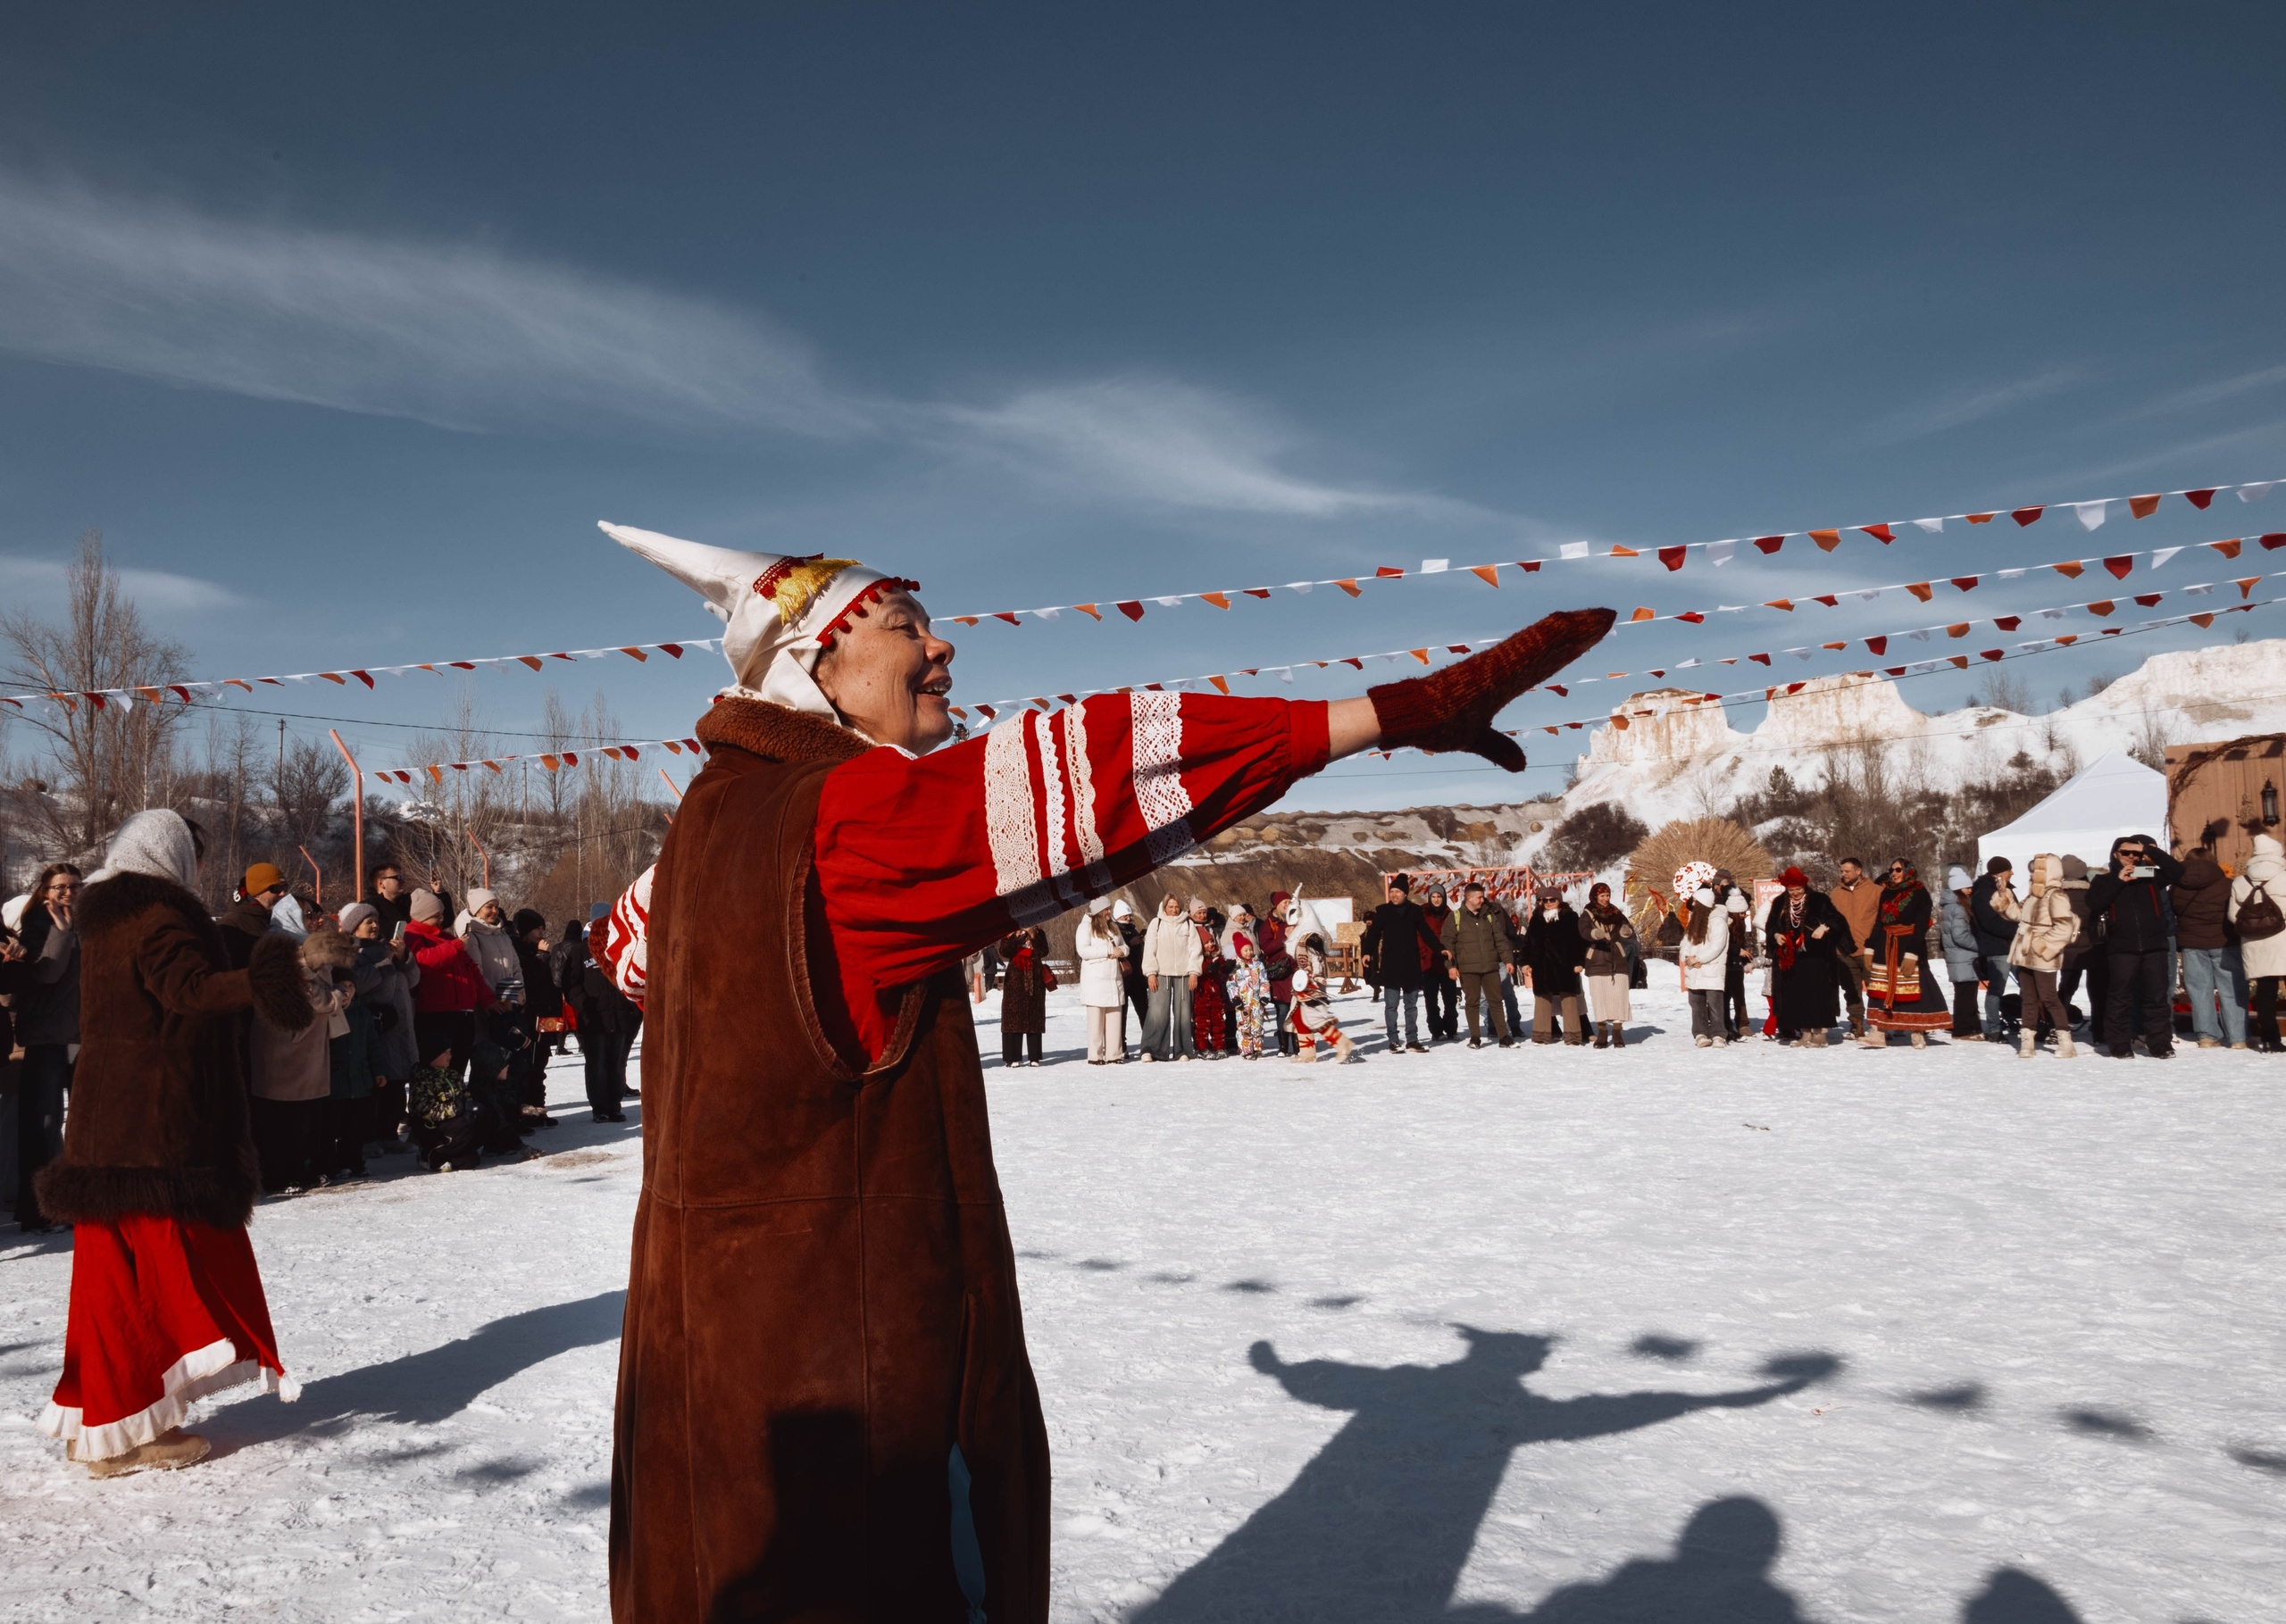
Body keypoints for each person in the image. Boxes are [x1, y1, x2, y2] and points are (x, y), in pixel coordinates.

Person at [588, 521, 1612, 1620]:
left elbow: (625, 948)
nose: (940, 647)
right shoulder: (840, 829)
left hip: (713, 1377)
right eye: (904, 627)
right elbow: (1094, 770)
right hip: (848, 1382)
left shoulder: (707, 832)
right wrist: (1387, 713)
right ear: (814, 666)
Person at [34, 810, 313, 1478]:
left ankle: (100, 1423)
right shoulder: (158, 916)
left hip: (109, 1119)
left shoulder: (107, 919)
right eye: (193, 852)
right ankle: (125, 1434)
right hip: (156, 1125)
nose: (198, 865)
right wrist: (269, 976)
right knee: (151, 1284)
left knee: (110, 1280)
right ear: (171, 858)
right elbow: (189, 990)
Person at [248, 921, 355, 1194]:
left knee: (305, 1118)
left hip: (306, 1052)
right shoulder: (285, 967)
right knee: (283, 1121)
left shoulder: (310, 962)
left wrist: (342, 991)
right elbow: (312, 996)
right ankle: (280, 1175)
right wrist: (339, 995)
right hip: (286, 1053)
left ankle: (303, 1169)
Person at [12, 863, 81, 1233]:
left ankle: (73, 1202)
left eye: (75, 886)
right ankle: (38, 1210)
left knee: (82, 1121)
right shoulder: (37, 925)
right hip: (45, 1036)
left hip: (79, 1036)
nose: (68, 893)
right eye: (60, 887)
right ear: (45, 891)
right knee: (45, 1124)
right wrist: (61, 931)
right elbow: (48, 973)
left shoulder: (85, 924)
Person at [2086, 834, 2185, 1060]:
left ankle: (2160, 1044)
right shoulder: (2104, 879)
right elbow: (2094, 903)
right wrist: (2118, 880)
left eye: (2135, 853)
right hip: (2122, 947)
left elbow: (2177, 872)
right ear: (2115, 854)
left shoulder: (2147, 874)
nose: (2131, 857)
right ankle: (2119, 1044)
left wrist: (2148, 850)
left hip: (2154, 945)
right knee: (2120, 997)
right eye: (2126, 852)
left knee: (2157, 997)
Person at [338, 902, 420, 1155]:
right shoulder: (350, 952)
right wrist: (385, 962)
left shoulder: (387, 947)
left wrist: (403, 956)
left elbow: (413, 980)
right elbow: (357, 985)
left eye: (375, 920)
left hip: (400, 1027)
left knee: (397, 1083)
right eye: (368, 922)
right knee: (375, 1084)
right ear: (354, 927)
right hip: (374, 1029)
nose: (374, 925)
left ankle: (389, 1134)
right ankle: (369, 1138)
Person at [1995, 854, 2081, 1058]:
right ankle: (2027, 1043)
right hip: (2024, 953)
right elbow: (2015, 915)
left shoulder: (2056, 895)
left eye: (2035, 870)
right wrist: (2003, 894)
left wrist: (2041, 946)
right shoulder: (2034, 895)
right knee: (2028, 999)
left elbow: (2065, 928)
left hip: (2042, 956)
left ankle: (2066, 1043)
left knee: (2049, 997)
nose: (2031, 874)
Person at [2172, 825, 2249, 1051]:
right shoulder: (2228, 884)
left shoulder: (2176, 887)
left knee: (2199, 991)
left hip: (2191, 944)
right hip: (2225, 942)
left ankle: (2206, 1036)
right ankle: (2238, 1038)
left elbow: (2173, 911)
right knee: (2232, 990)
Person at [561, 906, 639, 1120]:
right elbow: (571, 984)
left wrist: (631, 1007)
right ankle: (600, 1108)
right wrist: (584, 1005)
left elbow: (631, 978)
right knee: (597, 1064)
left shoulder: (622, 948)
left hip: (619, 1017)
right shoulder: (581, 950)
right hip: (594, 1018)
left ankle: (614, 1105)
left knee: (616, 1064)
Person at [1859, 859, 1948, 1048]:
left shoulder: (1920, 892)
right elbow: (1879, 922)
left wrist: (1912, 952)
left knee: (1911, 988)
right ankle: (1878, 1032)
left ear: (1908, 871)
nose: (1894, 873)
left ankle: (1917, 1032)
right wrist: (1870, 947)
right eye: (1891, 870)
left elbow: (1921, 925)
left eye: (1898, 870)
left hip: (1908, 944)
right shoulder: (1887, 892)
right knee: (1880, 988)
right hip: (1885, 945)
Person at [405, 887, 490, 1084]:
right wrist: (455, 947)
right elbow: (422, 961)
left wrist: (487, 999)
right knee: (435, 1073)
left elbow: (472, 970)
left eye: (441, 914)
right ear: (422, 916)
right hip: (435, 1015)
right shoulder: (412, 936)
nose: (442, 919)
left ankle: (456, 1101)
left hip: (463, 1013)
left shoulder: (447, 938)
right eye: (436, 915)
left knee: (457, 1070)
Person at [1765, 867, 1850, 1047]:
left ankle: (1819, 1034)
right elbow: (1771, 925)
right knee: (1797, 995)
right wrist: (1776, 935)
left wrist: (1824, 927)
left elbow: (1838, 920)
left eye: (1798, 889)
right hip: (1792, 957)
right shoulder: (1780, 903)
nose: (1795, 893)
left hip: (1817, 957)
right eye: (1791, 890)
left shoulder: (1819, 899)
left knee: (1817, 994)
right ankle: (1804, 1032)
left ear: (1805, 887)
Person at [1362, 875, 1445, 1054]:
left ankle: (1412, 1040)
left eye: (1397, 891)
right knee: (1391, 1006)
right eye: (1392, 891)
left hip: (1411, 965)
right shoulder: (1383, 911)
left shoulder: (1415, 911)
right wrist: (1366, 952)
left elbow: (1426, 933)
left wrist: (1440, 949)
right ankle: (1393, 1040)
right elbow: (1373, 934)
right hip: (1391, 965)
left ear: (1405, 894)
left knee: (1411, 1005)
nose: (1394, 894)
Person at [1283, 892, 1356, 1065]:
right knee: (1298, 1017)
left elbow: (1317, 959)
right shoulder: (1302, 934)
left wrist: (1316, 976)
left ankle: (1342, 1044)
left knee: (1315, 1017)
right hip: (1302, 983)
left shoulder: (1311, 935)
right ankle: (1307, 1053)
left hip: (1311, 984)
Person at [2230, 831, 2286, 1053]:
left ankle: (2271, 1039)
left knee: (2266, 990)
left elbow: (2233, 916)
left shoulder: (2240, 881)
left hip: (2254, 942)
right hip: (2283, 937)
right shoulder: (2284, 877)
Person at [1445, 880, 1514, 1048]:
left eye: (1483, 897)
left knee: (1496, 1002)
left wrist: (1508, 960)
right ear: (1468, 898)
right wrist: (1451, 966)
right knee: (1472, 1003)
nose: (1483, 900)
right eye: (1479, 897)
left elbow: (1500, 940)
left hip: (1491, 967)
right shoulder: (1455, 917)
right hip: (1468, 969)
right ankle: (1475, 1038)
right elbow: (1447, 945)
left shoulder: (1489, 916)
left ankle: (1504, 1036)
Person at [512, 908, 566, 1117]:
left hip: (544, 1015)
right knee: (527, 1064)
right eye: (537, 929)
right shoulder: (519, 951)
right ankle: (526, 1108)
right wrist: (542, 957)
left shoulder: (536, 952)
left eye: (542, 929)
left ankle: (538, 1106)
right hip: (528, 1015)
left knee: (540, 1062)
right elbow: (530, 979)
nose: (541, 933)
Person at [1521, 885, 1588, 1045]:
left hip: (1565, 966)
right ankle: (1541, 1036)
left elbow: (1578, 942)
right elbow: (1528, 943)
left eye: (1552, 900)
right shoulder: (1536, 919)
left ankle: (1573, 1036)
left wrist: (1579, 962)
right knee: (1542, 1001)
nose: (1548, 903)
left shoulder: (1570, 917)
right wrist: (1524, 962)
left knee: (1569, 1001)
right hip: (1542, 967)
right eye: (1545, 900)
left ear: (1559, 900)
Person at [1141, 893, 1203, 1062]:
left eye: (1176, 907)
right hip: (1161, 973)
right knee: (1157, 1011)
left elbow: (1195, 950)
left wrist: (1194, 972)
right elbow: (1149, 950)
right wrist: (1151, 973)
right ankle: (1151, 1049)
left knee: (1184, 1013)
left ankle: (1182, 1051)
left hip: (1184, 975)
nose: (1174, 910)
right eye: (1170, 907)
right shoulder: (1157, 923)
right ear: (1164, 907)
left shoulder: (1188, 924)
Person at [1828, 857, 1882, 1040]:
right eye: (1842, 871)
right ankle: (1856, 1024)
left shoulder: (1876, 891)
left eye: (1847, 871)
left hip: (1870, 950)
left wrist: (1876, 944)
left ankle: (1879, 1025)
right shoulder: (1835, 894)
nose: (1843, 874)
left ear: (1859, 871)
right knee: (1851, 990)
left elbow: (1883, 920)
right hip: (1843, 952)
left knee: (1876, 989)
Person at [1577, 881, 1636, 1049]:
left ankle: (1617, 1033)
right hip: (1597, 958)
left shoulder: (1616, 912)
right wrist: (1594, 933)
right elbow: (1582, 931)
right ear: (1595, 897)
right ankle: (1602, 1033)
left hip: (1617, 959)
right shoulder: (1587, 913)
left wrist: (1626, 931)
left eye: (1607, 895)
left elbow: (1627, 928)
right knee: (1599, 998)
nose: (1605, 899)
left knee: (1620, 997)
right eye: (1602, 896)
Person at [1970, 857, 2021, 1041]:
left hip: (2014, 946)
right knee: (1996, 990)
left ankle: (2032, 1022)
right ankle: (1993, 1029)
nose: (2012, 873)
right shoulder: (1983, 892)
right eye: (2009, 870)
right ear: (2000, 872)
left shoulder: (2004, 889)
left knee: (2028, 986)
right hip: (1998, 947)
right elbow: (1989, 922)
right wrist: (2018, 930)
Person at [407, 1044, 480, 1170]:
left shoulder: (452, 1075)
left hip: (453, 1120)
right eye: (444, 1052)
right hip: (430, 1125)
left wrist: (471, 1106)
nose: (449, 1055)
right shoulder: (422, 1078)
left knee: (470, 1161)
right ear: (432, 1055)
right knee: (462, 1124)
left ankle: (451, 1155)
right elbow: (424, 1109)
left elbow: (465, 1095)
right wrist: (456, 1109)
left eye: (450, 1051)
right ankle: (428, 1155)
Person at [1075, 897, 1129, 1064]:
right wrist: (1108, 950)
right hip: (1095, 982)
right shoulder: (1085, 927)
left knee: (1114, 1020)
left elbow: (1125, 946)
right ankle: (1095, 1056)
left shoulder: (1113, 927)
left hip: (1114, 981)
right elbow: (1083, 951)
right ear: (1098, 910)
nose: (1109, 912)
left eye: (1110, 908)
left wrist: (1121, 951)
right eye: (1106, 909)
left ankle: (1114, 1055)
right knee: (1096, 1023)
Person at [1678, 885, 1732, 1046]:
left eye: (1696, 901)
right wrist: (1687, 957)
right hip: (1694, 969)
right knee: (1696, 1004)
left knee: (1715, 1005)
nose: (1693, 904)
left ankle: (1719, 1034)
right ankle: (1700, 1033)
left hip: (1711, 968)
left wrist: (1699, 959)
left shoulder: (1718, 922)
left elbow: (1717, 946)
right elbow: (1685, 942)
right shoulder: (1694, 921)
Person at [1939, 867, 1985, 1040]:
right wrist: (1980, 946)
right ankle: (1964, 1029)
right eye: (1966, 888)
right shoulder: (1958, 908)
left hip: (1958, 958)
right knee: (1967, 996)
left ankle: (1967, 1027)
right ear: (1958, 889)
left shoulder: (1949, 907)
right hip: (1964, 958)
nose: (1970, 890)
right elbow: (1959, 935)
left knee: (1963, 994)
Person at [997, 925, 1051, 1067]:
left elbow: (1044, 951)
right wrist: (1016, 936)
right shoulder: (1009, 933)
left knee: (1034, 1017)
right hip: (1015, 980)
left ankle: (1034, 1057)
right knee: (1013, 1017)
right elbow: (1004, 951)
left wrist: (1033, 935)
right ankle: (1012, 1057)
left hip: (1034, 978)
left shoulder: (1038, 932)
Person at [217, 862, 286, 969]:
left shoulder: (275, 920)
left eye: (285, 888)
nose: (283, 894)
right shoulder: (230, 925)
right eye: (276, 889)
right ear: (257, 892)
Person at [1189, 899, 1232, 1059]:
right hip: (1202, 993)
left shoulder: (1215, 952)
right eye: (1199, 913)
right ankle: (1202, 1047)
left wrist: (1226, 965)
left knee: (1218, 1020)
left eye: (1204, 912)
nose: (1210, 944)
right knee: (1202, 1022)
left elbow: (1221, 965)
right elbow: (1196, 966)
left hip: (1216, 993)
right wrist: (1206, 968)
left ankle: (1219, 1046)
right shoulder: (1200, 957)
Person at [1260, 890, 1297, 1056]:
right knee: (1283, 1009)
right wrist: (1284, 937)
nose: (1287, 905)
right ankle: (1283, 1046)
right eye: (1284, 902)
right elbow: (1266, 948)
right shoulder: (1269, 924)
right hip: (1280, 972)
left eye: (1289, 902)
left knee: (1297, 1009)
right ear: (1277, 905)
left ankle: (1298, 1045)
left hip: (1296, 971)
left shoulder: (1296, 920)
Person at [1420, 883, 1458, 1041]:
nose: (1436, 900)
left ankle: (1451, 1029)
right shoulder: (1422, 913)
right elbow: (1419, 937)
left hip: (1447, 963)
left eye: (1439, 897)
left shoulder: (1450, 914)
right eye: (1433, 897)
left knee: (1450, 999)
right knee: (1431, 1000)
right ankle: (1436, 1031)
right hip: (1428, 963)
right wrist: (1423, 954)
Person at [1227, 936, 1273, 1058]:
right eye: (1246, 950)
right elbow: (1231, 984)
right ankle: (1246, 1050)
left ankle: (1258, 1048)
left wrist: (1265, 995)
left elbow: (1264, 981)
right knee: (1244, 1026)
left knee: (1257, 1025)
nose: (1249, 952)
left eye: (1250, 949)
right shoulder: (1235, 967)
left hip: (1257, 1000)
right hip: (1242, 1003)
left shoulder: (1258, 965)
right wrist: (1235, 997)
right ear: (1239, 951)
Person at [1113, 899, 1150, 1044]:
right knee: (1121, 1015)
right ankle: (1121, 1045)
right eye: (1125, 916)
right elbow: (1115, 950)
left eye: (1129, 916)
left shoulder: (1133, 929)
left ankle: (1149, 1044)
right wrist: (1130, 944)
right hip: (1122, 978)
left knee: (1144, 1013)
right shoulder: (1115, 931)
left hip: (1137, 979)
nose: (1128, 918)